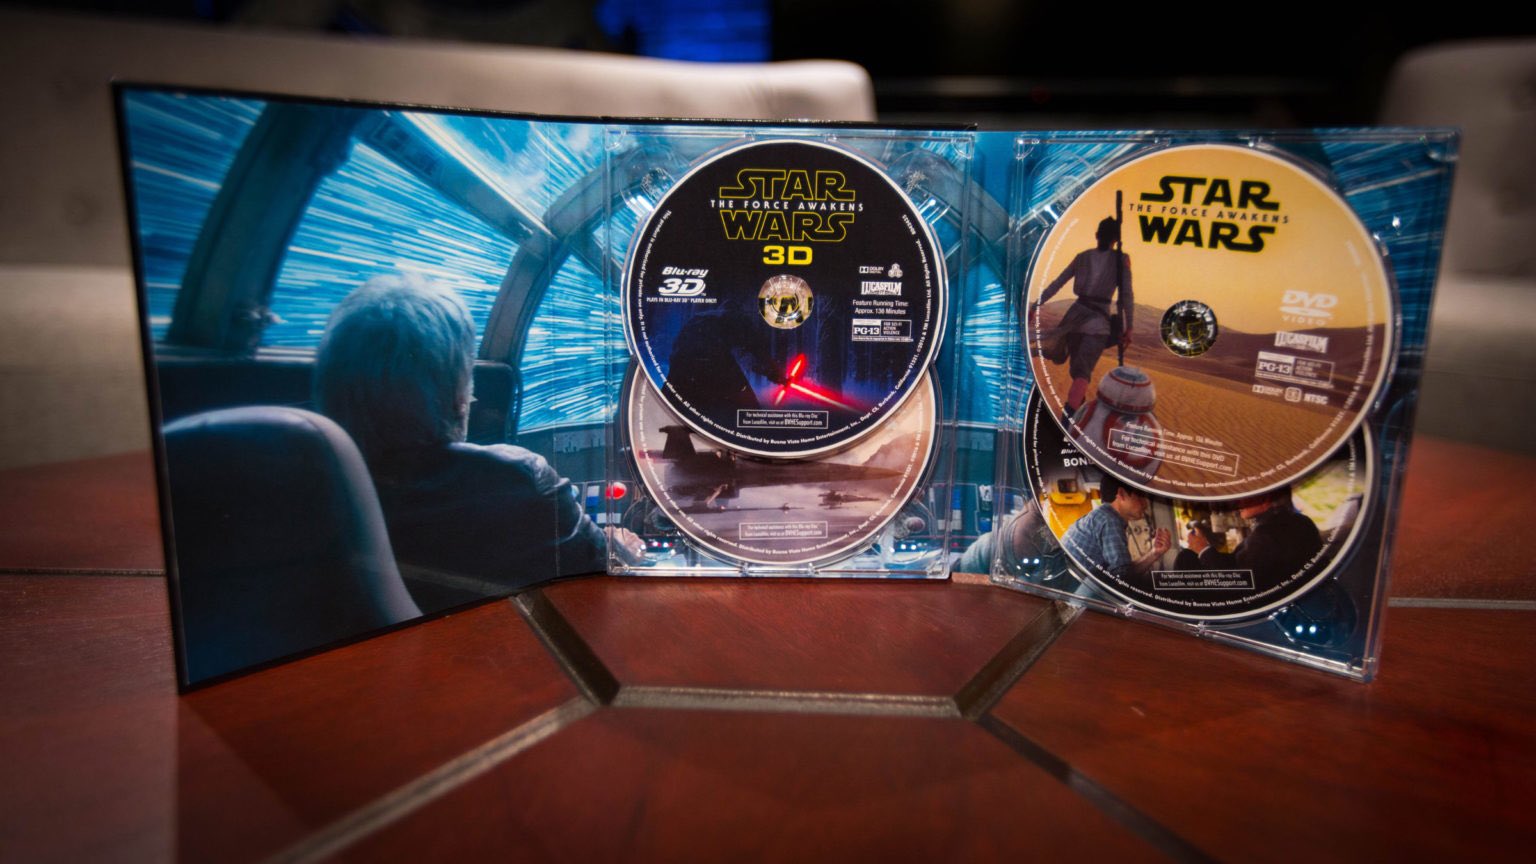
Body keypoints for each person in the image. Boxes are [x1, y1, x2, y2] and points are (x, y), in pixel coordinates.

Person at [314, 273, 643, 590]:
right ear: (459, 399)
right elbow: (605, 570)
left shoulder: (303, 491)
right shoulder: (519, 480)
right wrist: (619, 545)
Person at [1030, 217, 1133, 423]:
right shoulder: (1120, 259)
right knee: (1080, 373)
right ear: (1116, 239)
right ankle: (1071, 420)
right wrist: (1128, 326)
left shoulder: (1084, 257)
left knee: (1079, 372)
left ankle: (1071, 417)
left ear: (1097, 235)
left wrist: (1036, 305)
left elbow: (1057, 283)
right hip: (1095, 323)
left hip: (1076, 318)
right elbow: (1126, 295)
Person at [1060, 474, 1169, 577]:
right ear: (1121, 493)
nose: (1145, 503)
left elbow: (1122, 573)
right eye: (1140, 496)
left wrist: (1155, 553)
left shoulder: (1102, 516)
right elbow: (1123, 576)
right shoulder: (1109, 520)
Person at [1232, 487, 1323, 586]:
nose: (1238, 503)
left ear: (1265, 499)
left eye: (1245, 496)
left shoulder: (1265, 534)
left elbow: (1244, 579)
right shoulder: (1302, 520)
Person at [1172, 519, 1237, 571]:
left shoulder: (1185, 557)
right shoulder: (1187, 557)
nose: (1189, 535)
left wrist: (1202, 548)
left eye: (1194, 532)